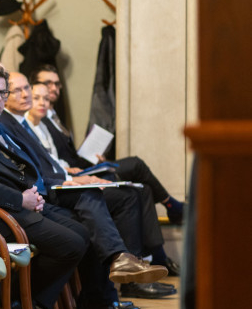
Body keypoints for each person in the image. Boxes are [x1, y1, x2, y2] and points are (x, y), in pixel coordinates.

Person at [0, 63, 147, 309]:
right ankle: (14, 301)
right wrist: (20, 198)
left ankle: (23, 304)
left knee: (83, 232)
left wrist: (28, 194)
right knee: (71, 243)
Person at [31, 64, 185, 226]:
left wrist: (91, 157)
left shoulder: (54, 116)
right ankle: (172, 205)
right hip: (68, 177)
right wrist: (69, 170)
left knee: (143, 189)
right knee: (135, 165)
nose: (53, 88)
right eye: (47, 83)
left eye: (57, 84)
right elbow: (49, 159)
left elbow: (66, 155)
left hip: (79, 168)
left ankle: (158, 237)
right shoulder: (38, 119)